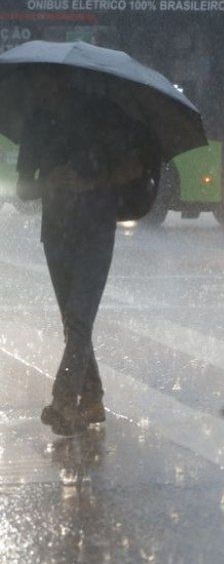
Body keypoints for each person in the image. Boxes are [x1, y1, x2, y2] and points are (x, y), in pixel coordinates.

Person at [16, 68, 143, 436]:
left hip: (95, 231)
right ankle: (93, 399)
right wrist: (48, 182)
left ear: (60, 80)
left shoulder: (102, 115)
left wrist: (90, 183)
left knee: (78, 319)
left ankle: (63, 401)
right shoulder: (37, 123)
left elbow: (133, 167)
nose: (37, 87)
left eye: (42, 81)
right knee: (74, 323)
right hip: (56, 234)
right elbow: (23, 189)